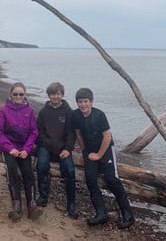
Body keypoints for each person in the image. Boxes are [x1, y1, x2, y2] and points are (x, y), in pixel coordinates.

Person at [71, 87, 135, 229]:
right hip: (89, 150)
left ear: (91, 102)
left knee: (112, 179)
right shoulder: (75, 115)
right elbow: (78, 134)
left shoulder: (99, 115)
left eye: (86, 101)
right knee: (91, 179)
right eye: (80, 102)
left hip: (106, 149)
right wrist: (84, 152)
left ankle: (128, 215)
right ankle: (101, 214)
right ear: (77, 103)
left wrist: (99, 155)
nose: (83, 105)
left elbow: (107, 136)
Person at [0, 82, 42, 222]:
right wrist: (10, 149)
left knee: (28, 172)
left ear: (25, 95)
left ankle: (31, 204)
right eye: (16, 94)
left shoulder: (30, 111)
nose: (18, 96)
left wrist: (27, 150)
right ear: (11, 94)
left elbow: (34, 132)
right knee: (12, 169)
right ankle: (16, 204)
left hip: (24, 149)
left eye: (21, 94)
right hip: (8, 147)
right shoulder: (3, 110)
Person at [35, 82, 78, 218]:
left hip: (63, 148)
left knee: (70, 170)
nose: (55, 97)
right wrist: (44, 142)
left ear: (62, 95)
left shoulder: (68, 111)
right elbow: (38, 131)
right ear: (49, 95)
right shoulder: (44, 112)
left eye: (58, 94)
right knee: (41, 166)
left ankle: (71, 204)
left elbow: (71, 133)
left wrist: (68, 149)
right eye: (53, 94)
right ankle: (43, 196)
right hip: (46, 146)